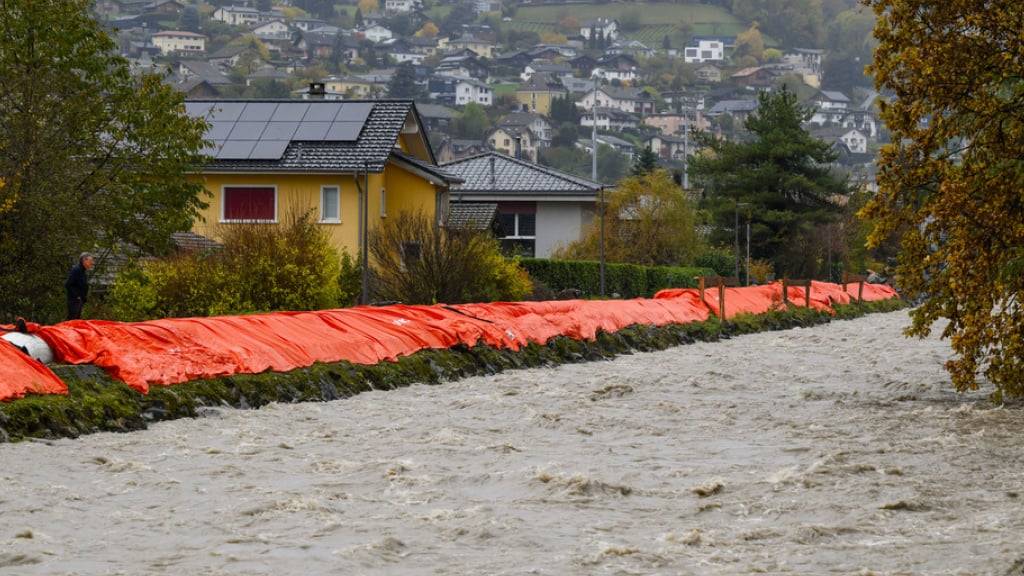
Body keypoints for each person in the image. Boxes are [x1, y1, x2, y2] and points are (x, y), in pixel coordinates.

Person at [64, 252, 94, 320]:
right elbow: (68, 284)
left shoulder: (83, 271)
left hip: (79, 300)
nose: (91, 263)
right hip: (74, 300)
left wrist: (83, 298)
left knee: (76, 319)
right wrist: (77, 296)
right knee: (72, 319)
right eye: (90, 261)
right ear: (84, 260)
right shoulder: (76, 270)